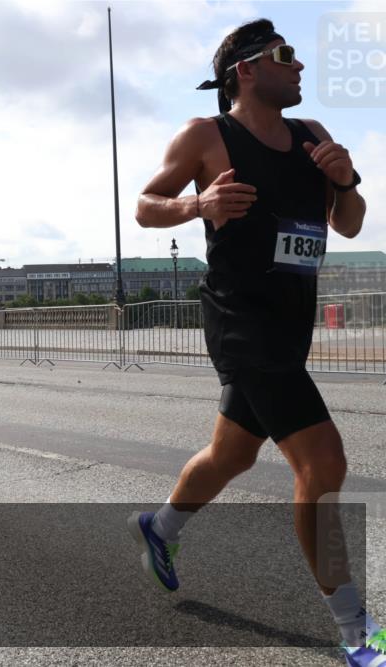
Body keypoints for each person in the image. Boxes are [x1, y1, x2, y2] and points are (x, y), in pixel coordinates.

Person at [132, 19, 380, 665]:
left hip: (291, 320)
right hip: (240, 319)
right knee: (322, 463)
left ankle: (160, 526)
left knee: (232, 454)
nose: (298, 66)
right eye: (284, 55)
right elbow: (145, 203)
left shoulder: (312, 137)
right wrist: (198, 205)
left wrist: (347, 179)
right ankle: (358, 630)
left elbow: (348, 225)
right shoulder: (207, 136)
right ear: (246, 69)